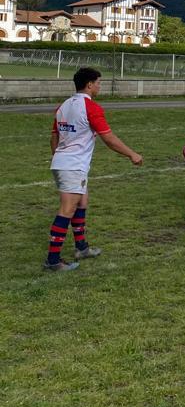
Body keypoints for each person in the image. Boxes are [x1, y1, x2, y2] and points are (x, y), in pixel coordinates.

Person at [45, 66, 143, 272]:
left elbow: (54, 136)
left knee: (82, 202)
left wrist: (59, 156)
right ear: (89, 85)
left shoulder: (63, 105)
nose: (100, 86)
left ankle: (81, 248)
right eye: (99, 82)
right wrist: (131, 154)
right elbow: (109, 138)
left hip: (65, 163)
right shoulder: (91, 108)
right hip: (73, 166)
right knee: (67, 209)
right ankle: (53, 260)